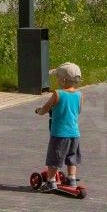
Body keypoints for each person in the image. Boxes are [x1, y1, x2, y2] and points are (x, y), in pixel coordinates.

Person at [34, 62, 83, 192]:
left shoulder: (58, 94)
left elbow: (45, 108)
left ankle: (51, 181)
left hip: (59, 133)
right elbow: (78, 111)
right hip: (74, 133)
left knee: (54, 158)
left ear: (63, 80)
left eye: (57, 77)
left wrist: (39, 111)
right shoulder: (79, 95)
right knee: (72, 156)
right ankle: (72, 179)